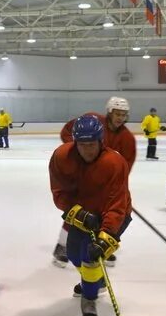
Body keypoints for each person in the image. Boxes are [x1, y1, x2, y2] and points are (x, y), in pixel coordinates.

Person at [49, 115, 131, 316]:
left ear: (101, 141)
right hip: (83, 214)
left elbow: (116, 206)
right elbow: (59, 194)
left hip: (113, 215)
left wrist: (105, 238)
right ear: (75, 142)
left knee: (91, 258)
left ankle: (89, 296)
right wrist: (80, 213)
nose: (87, 150)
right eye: (82, 144)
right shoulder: (61, 157)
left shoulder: (114, 162)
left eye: (91, 144)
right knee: (74, 255)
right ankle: (94, 281)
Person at [53, 96, 135, 268]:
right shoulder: (91, 121)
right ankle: (62, 245)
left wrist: (115, 186)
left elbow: (124, 167)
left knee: (108, 212)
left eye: (123, 114)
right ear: (109, 112)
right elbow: (67, 132)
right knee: (77, 211)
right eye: (117, 113)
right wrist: (81, 150)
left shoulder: (127, 139)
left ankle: (101, 244)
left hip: (103, 181)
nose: (120, 117)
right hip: (79, 176)